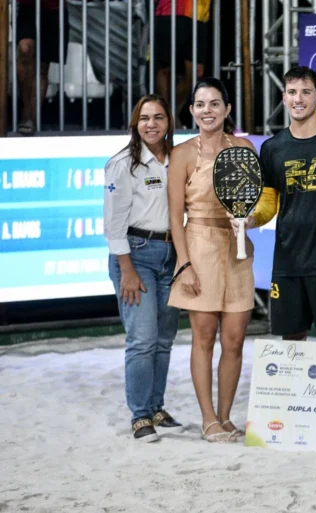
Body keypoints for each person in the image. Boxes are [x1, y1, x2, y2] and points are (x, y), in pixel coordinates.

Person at [235, 66, 316, 342]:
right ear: (284, 98)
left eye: (306, 92)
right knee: (291, 348)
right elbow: (268, 203)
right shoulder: (272, 147)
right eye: (292, 92)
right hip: (288, 262)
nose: (298, 99)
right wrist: (250, 220)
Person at [167, 77, 257, 443]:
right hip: (199, 245)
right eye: (200, 104)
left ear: (227, 109)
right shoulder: (183, 154)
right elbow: (175, 217)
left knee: (234, 339)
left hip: (237, 247)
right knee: (203, 338)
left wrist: (249, 219)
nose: (208, 111)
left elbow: (257, 202)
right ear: (191, 110)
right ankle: (208, 419)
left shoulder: (244, 147)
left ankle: (226, 416)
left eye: (215, 103)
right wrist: (184, 264)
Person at [104, 94, 183, 442]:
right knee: (143, 340)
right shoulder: (123, 164)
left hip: (171, 255)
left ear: (169, 123)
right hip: (135, 256)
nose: (152, 124)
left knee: (164, 341)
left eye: (159, 117)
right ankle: (139, 416)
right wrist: (127, 270)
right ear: (135, 124)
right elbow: (112, 224)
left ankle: (155, 406)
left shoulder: (178, 159)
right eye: (145, 118)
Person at [15, 0, 69, 135]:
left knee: (43, 65)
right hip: (28, 7)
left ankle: (32, 118)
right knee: (24, 49)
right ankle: (27, 112)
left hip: (55, 9)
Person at [154, 0, 211, 127]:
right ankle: (169, 117)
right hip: (168, 11)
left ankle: (168, 114)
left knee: (196, 72)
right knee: (165, 68)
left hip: (199, 14)